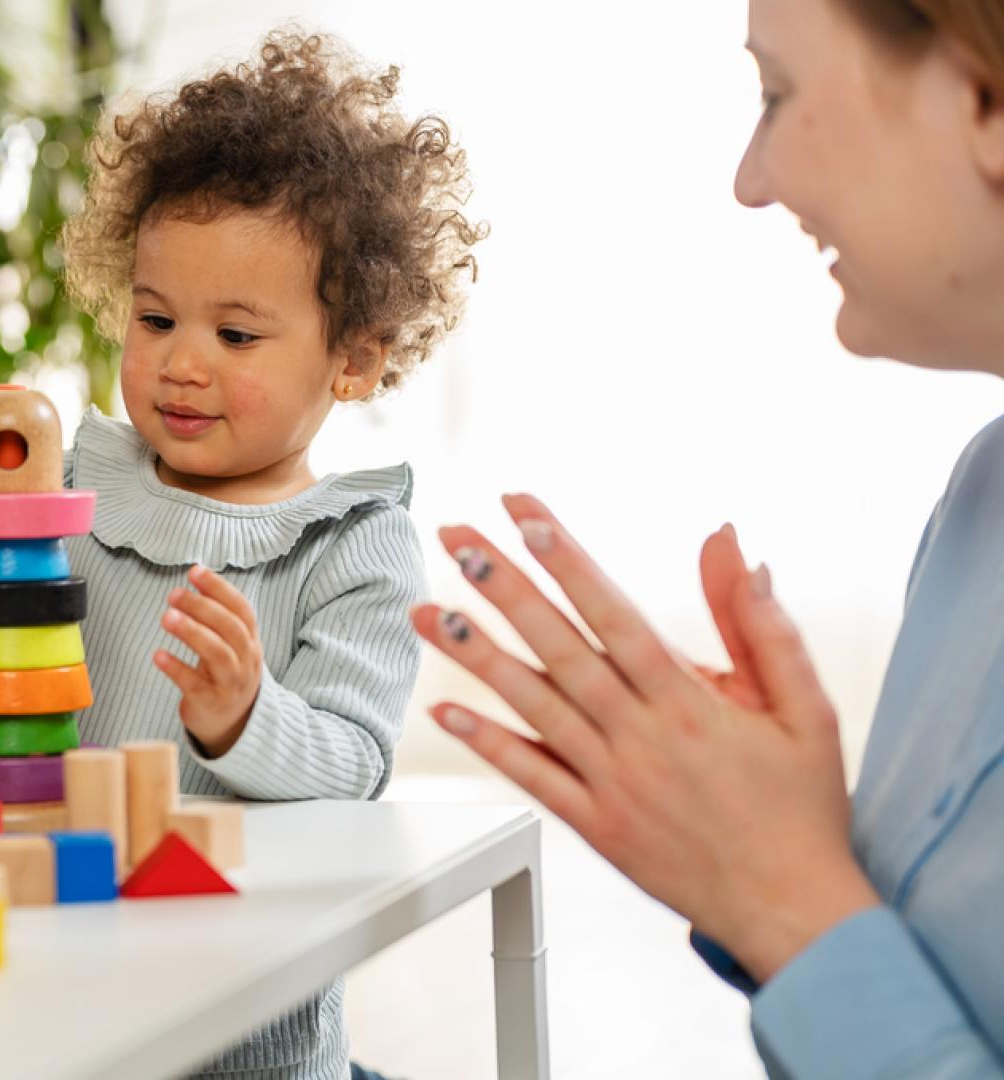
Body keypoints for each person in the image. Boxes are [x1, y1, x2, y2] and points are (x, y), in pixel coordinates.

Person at [0, 31, 483, 1080]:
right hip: (57, 971)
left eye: (236, 336)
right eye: (155, 317)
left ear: (351, 359)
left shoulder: (352, 544)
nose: (178, 363)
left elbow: (352, 769)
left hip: (246, 1019)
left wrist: (246, 714)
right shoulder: (75, 486)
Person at [411, 0, 1004, 1074]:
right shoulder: (980, 497)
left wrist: (788, 896)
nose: (749, 179)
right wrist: (750, 838)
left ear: (983, 96)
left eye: (774, 94)